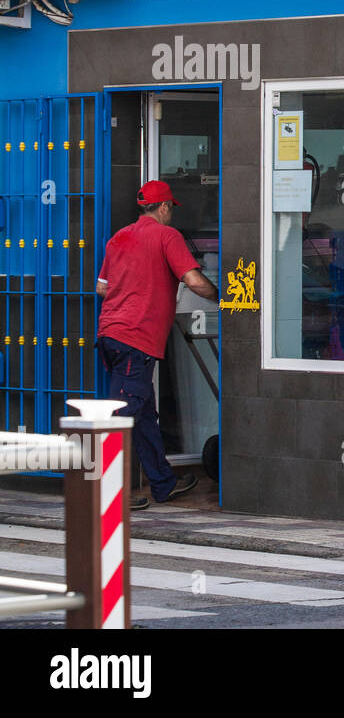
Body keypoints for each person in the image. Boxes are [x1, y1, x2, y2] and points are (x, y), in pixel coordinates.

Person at [96, 181, 218, 510]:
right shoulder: (167, 237)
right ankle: (108, 495)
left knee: (144, 414)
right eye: (171, 209)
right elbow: (193, 280)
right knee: (121, 414)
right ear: (164, 207)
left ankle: (163, 483)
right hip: (136, 339)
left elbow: (101, 288)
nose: (170, 214)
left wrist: (133, 290)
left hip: (110, 335)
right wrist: (223, 297)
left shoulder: (118, 237)